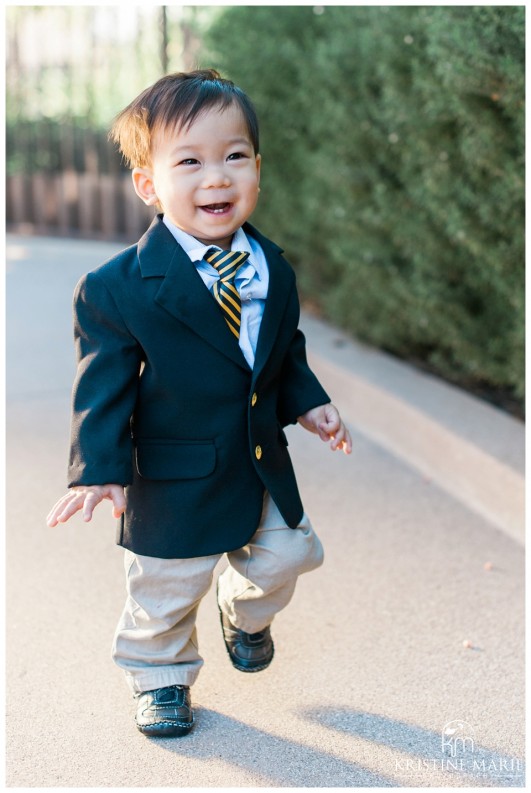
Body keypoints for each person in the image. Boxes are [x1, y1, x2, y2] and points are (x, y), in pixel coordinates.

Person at [47, 69, 352, 738]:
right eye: (189, 161)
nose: (215, 177)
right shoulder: (117, 286)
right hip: (171, 472)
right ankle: (158, 677)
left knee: (288, 553)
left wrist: (308, 400)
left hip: (255, 458)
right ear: (149, 184)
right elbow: (102, 384)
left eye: (233, 156)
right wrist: (97, 467)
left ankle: (242, 608)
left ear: (256, 169)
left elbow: (280, 349)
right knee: (163, 590)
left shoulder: (271, 266)